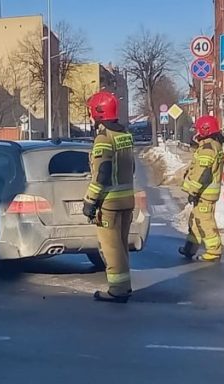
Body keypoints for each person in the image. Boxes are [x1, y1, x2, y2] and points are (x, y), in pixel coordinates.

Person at [82, 91, 136, 304]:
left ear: (98, 112)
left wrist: (90, 200)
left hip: (110, 202)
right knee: (121, 246)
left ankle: (118, 289)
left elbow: (102, 172)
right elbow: (130, 167)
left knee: (111, 248)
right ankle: (124, 285)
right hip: (126, 199)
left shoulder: (104, 138)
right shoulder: (125, 135)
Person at [179, 115, 224, 262]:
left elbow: (202, 173)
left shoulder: (207, 148)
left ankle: (214, 250)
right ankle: (190, 248)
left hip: (204, 193)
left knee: (205, 221)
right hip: (204, 192)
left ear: (205, 130)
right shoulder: (212, 145)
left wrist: (193, 190)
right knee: (195, 220)